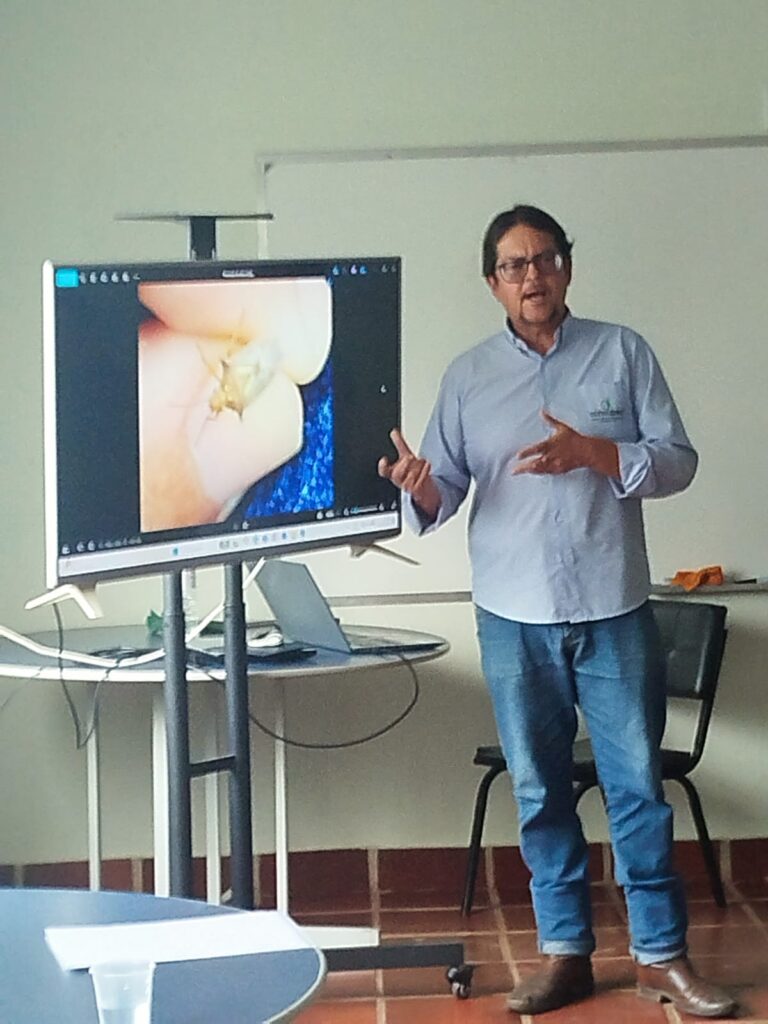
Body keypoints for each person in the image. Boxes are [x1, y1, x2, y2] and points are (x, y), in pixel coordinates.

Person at [378, 205, 737, 1018]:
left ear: (567, 267)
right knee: (539, 792)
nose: (532, 276)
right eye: (514, 265)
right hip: (513, 617)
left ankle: (661, 956)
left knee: (637, 788)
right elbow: (445, 491)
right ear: (492, 283)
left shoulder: (622, 352)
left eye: (545, 259)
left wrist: (597, 453)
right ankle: (565, 953)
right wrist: (419, 488)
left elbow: (678, 462)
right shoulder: (468, 377)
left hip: (613, 608)